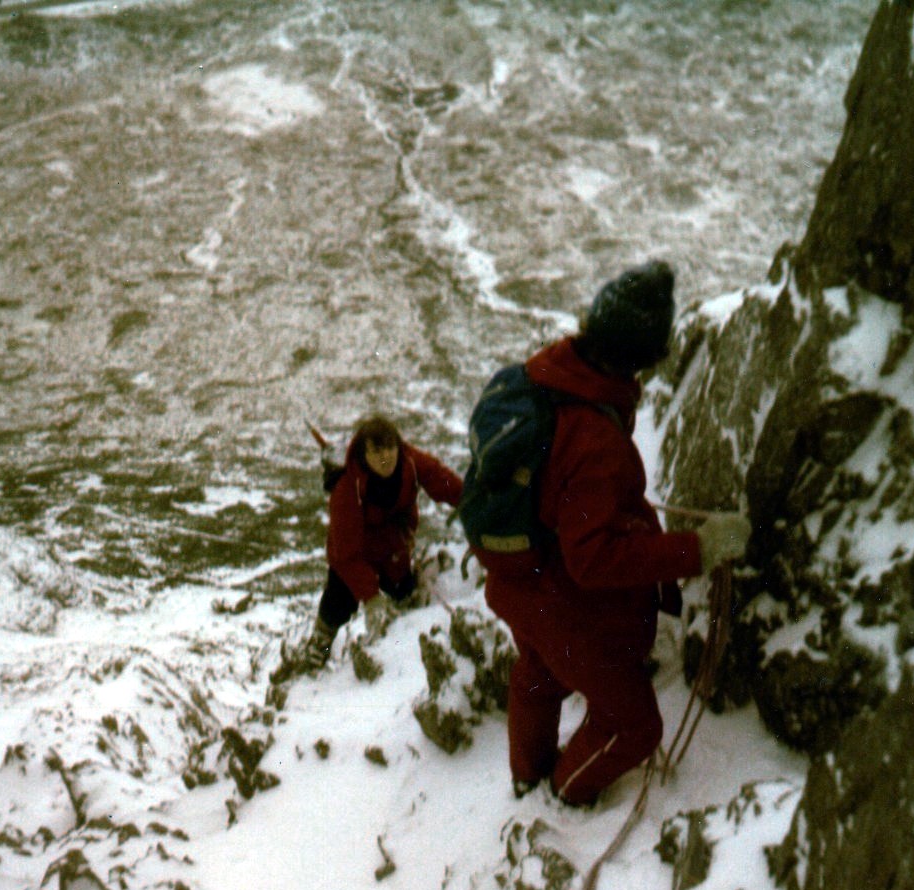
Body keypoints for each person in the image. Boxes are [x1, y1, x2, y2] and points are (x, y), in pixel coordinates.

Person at [475, 259, 751, 805]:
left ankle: (526, 774)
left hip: (518, 577)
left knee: (539, 672)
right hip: (559, 597)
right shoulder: (595, 438)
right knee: (635, 726)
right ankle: (562, 793)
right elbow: (593, 561)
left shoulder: (552, 373)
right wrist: (698, 549)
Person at [303, 414, 463, 670]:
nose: (386, 457)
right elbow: (345, 554)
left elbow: (436, 476)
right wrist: (371, 597)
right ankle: (319, 642)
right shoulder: (347, 488)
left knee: (402, 592)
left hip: (393, 545)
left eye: (391, 448)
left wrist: (466, 499)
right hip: (355, 551)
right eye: (377, 451)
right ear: (363, 454)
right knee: (339, 598)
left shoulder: (408, 461)